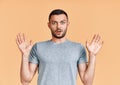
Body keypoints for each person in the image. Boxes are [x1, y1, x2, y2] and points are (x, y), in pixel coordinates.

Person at [16, 9, 103, 85]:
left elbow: (87, 82)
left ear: (67, 24)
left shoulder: (78, 48)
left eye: (62, 22)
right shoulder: (38, 47)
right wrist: (25, 55)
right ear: (49, 25)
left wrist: (92, 56)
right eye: (54, 23)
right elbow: (25, 81)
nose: (59, 27)